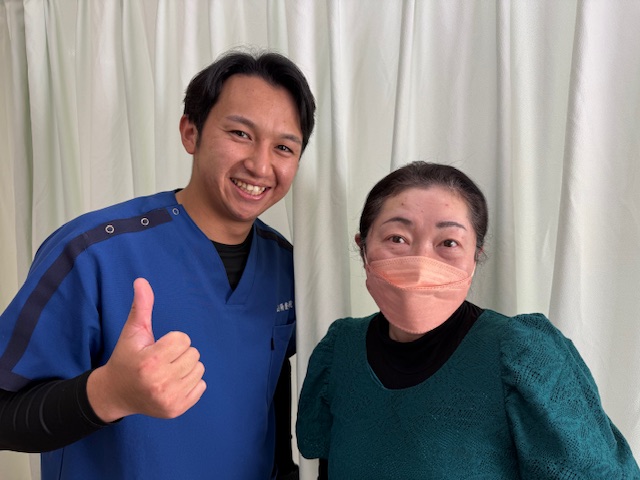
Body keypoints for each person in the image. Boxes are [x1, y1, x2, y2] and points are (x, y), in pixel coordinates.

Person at [0, 48, 315, 479]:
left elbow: (268, 396)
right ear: (191, 133)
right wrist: (108, 393)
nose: (261, 165)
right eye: (240, 133)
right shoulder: (92, 252)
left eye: (283, 147)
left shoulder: (286, 267)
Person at [296, 161, 640, 479]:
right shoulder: (340, 349)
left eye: (448, 243)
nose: (421, 262)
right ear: (363, 248)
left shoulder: (523, 357)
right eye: (397, 238)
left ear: (476, 256)